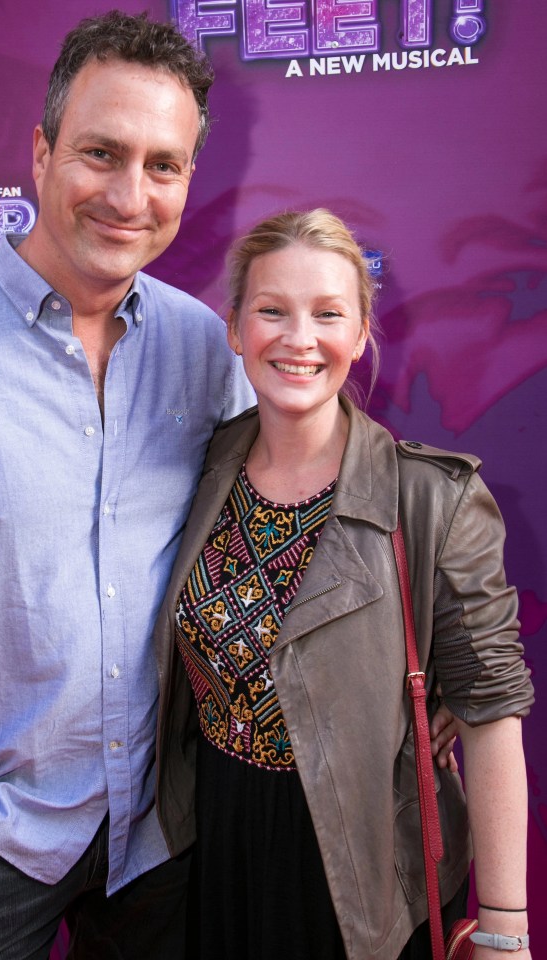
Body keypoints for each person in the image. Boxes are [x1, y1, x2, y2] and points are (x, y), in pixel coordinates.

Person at [0, 11, 256, 960]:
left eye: (163, 164)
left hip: (167, 838)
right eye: (100, 153)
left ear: (188, 180)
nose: (130, 194)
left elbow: (272, 535)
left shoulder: (207, 348)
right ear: (39, 154)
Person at [153, 209, 533, 960]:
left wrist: (504, 924)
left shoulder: (428, 499)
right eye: (271, 310)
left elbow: (490, 714)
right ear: (234, 329)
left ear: (360, 334)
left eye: (327, 313)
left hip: (361, 870)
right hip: (216, 842)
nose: (298, 338)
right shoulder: (202, 467)